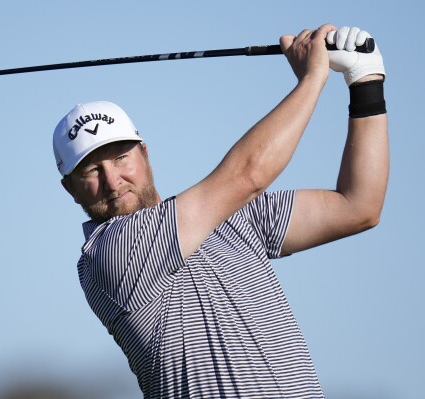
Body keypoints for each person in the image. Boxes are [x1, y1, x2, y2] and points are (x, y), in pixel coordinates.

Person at [52, 24, 388, 398]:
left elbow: (358, 206)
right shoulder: (108, 254)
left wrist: (365, 81)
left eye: (120, 159)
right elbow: (248, 175)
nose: (113, 181)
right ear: (70, 188)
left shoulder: (233, 218)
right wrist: (312, 79)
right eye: (91, 172)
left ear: (144, 155)